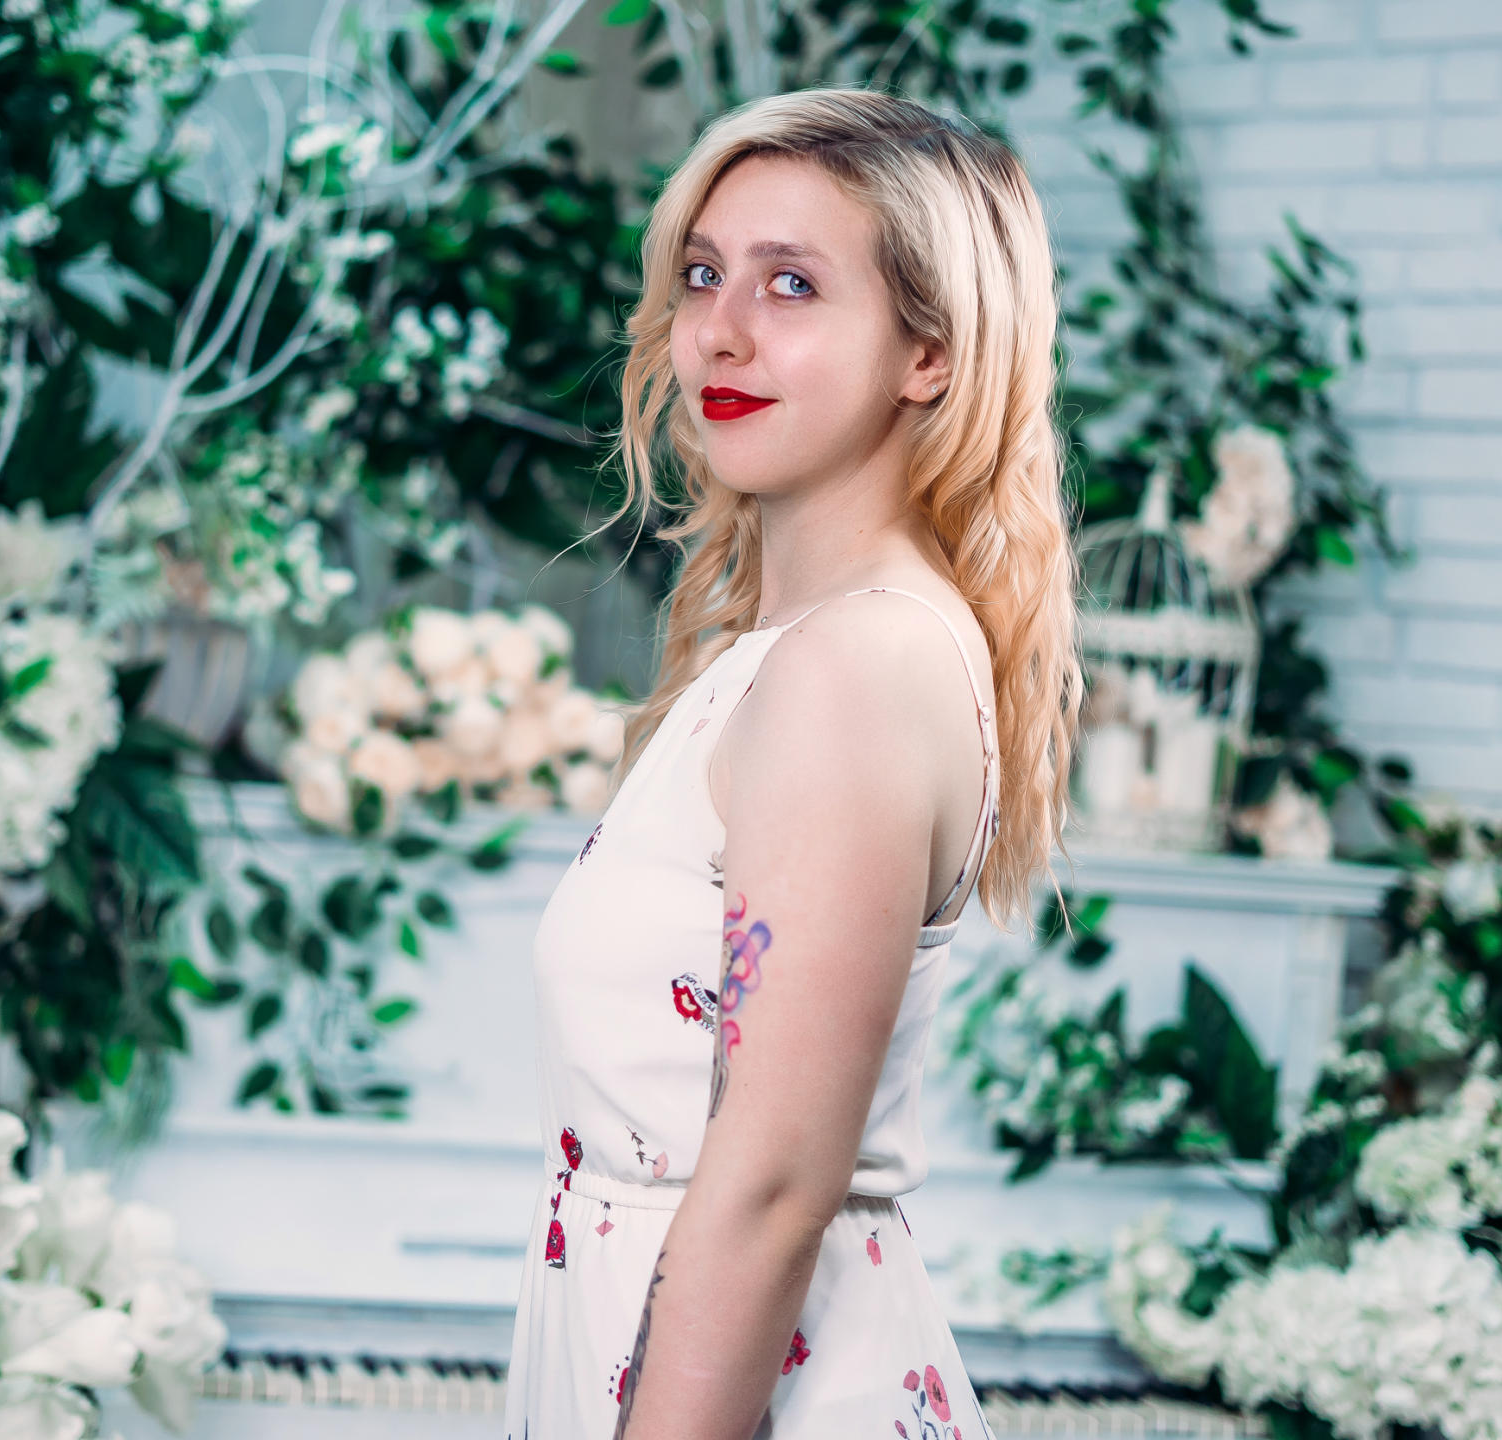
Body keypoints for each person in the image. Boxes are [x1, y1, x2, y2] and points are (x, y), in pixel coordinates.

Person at [502, 88, 1083, 1438]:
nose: (721, 328)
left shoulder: (854, 669)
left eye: (793, 284)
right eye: (705, 273)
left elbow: (771, 1191)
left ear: (927, 353)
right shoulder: (806, 652)